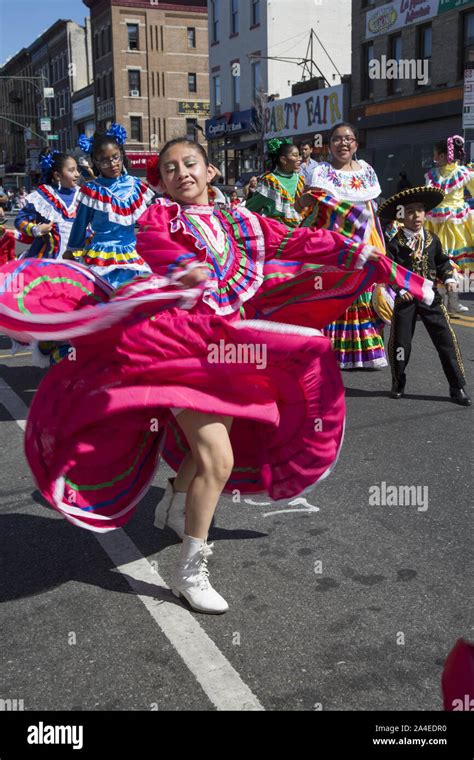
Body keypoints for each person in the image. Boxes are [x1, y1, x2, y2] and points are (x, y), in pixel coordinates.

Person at [0, 138, 434, 615]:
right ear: (161, 181)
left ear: (209, 172)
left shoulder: (242, 221)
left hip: (231, 352)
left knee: (217, 443)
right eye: (169, 169)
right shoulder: (159, 219)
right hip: (179, 350)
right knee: (218, 459)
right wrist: (184, 269)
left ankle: (174, 499)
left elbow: (301, 240)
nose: (181, 173)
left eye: (190, 164)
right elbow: (155, 244)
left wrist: (362, 254)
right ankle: (190, 568)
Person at [296, 122, 389, 369]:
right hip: (335, 242)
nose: (343, 143)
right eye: (337, 139)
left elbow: (371, 209)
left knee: (363, 295)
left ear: (356, 144)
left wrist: (380, 241)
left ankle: (365, 352)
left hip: (366, 239)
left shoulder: (367, 170)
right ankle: (331, 351)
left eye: (348, 139)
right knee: (336, 295)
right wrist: (305, 200)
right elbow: (303, 208)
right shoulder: (321, 172)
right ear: (329, 145)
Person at [378, 186, 470, 407]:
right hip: (406, 301)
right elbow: (389, 272)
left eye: (420, 210)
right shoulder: (394, 244)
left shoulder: (432, 239)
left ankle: (457, 385)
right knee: (401, 343)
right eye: (410, 211)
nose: (416, 215)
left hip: (430, 298)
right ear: (401, 216)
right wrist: (401, 290)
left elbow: (442, 262)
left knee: (446, 340)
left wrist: (448, 278)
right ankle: (398, 381)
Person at [63, 124, 154, 289]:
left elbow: (149, 221)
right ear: (96, 162)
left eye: (115, 157)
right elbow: (80, 223)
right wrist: (71, 249)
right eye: (105, 160)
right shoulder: (92, 191)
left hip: (132, 253)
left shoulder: (136, 186)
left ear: (121, 154)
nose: (112, 164)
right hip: (102, 255)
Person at [424, 135, 474, 315]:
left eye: (436, 154)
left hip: (457, 223)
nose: (434, 158)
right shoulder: (432, 175)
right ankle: (445, 301)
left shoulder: (464, 173)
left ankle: (452, 300)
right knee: (441, 260)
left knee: (455, 261)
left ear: (444, 156)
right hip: (435, 222)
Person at [14, 151, 80, 260]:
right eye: (71, 170)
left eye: (77, 169)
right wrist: (36, 229)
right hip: (48, 261)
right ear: (57, 175)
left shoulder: (83, 196)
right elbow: (19, 221)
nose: (77, 174)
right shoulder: (40, 197)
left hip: (78, 261)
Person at [245, 138, 304, 227]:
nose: (300, 158)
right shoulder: (269, 181)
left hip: (300, 231)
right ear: (283, 160)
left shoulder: (300, 180)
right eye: (295, 155)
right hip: (276, 233)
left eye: (299, 155)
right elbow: (251, 207)